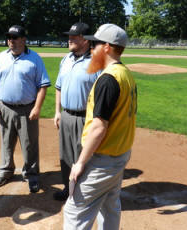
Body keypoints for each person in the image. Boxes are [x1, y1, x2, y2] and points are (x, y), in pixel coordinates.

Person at [63, 24, 137, 230]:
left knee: (74, 211)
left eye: (94, 44)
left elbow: (99, 127)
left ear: (106, 47)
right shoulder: (126, 74)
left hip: (103, 159)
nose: (91, 48)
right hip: (120, 154)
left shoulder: (108, 79)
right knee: (110, 205)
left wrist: (80, 163)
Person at [0, 25, 51, 193]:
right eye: (9, 37)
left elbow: (43, 86)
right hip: (5, 107)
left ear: (24, 40)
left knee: (29, 143)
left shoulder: (35, 59)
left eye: (15, 38)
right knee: (6, 142)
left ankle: (31, 174)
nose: (11, 41)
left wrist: (37, 107)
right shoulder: (1, 57)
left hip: (27, 108)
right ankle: (5, 171)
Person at [53, 23, 100, 201]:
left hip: (85, 118)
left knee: (84, 157)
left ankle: (84, 194)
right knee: (65, 155)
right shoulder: (66, 59)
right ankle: (68, 188)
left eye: (75, 36)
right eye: (69, 35)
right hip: (66, 116)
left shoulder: (98, 62)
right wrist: (57, 111)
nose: (70, 39)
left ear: (87, 40)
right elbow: (59, 87)